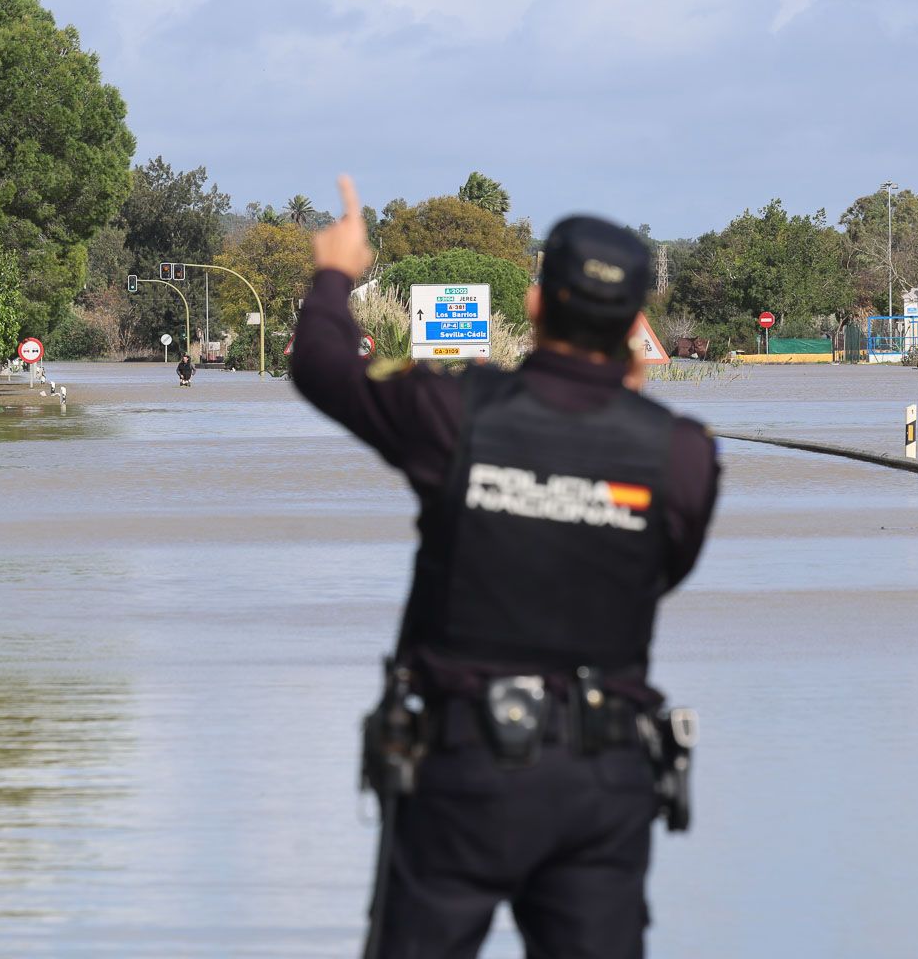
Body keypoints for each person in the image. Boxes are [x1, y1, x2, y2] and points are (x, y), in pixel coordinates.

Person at [290, 178, 719, 959]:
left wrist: (335, 273)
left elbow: (323, 367)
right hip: (604, 777)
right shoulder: (681, 454)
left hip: (461, 772)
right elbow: (656, 573)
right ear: (634, 326)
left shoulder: (455, 413)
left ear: (533, 306)